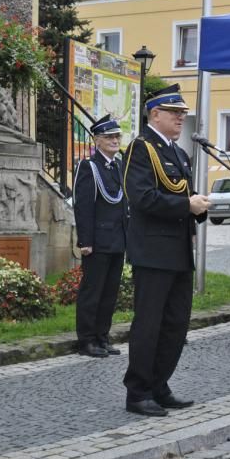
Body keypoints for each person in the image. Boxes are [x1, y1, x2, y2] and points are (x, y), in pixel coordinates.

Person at [123, 84, 210, 417]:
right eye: (175, 112)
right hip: (153, 252)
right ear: (155, 114)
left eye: (183, 113)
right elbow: (142, 198)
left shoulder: (178, 152)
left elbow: (181, 199)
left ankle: (159, 384)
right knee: (149, 324)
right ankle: (138, 391)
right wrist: (186, 205)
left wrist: (197, 209)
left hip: (177, 252)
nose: (181, 118)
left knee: (176, 324)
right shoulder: (140, 148)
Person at [73, 116, 127, 358]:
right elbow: (83, 206)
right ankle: (87, 340)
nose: (114, 140)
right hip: (97, 242)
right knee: (92, 293)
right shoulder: (89, 167)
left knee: (110, 293)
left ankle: (103, 337)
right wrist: (85, 241)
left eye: (117, 136)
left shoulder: (118, 165)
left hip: (118, 240)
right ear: (97, 140)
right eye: (109, 137)